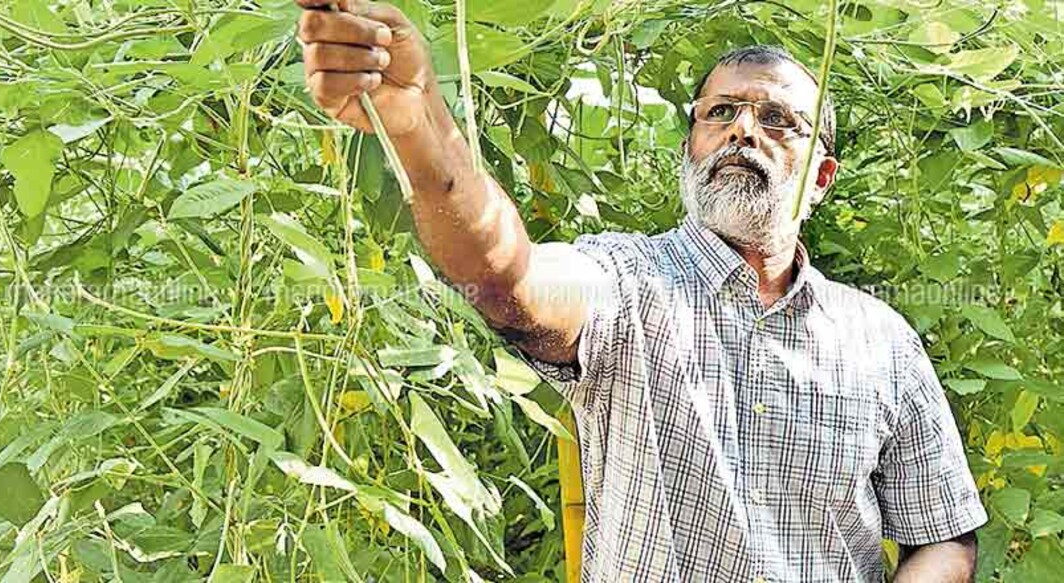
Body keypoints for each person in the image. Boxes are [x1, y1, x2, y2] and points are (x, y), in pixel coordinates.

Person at [294, 1, 988, 581]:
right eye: (721, 112)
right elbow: (511, 277)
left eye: (777, 119)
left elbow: (945, 536)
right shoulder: (626, 282)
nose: (743, 129)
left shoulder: (880, 340)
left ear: (822, 178)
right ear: (690, 148)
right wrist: (420, 124)